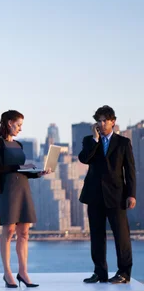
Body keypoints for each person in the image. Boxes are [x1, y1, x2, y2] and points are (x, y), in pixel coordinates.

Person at [79, 105, 136, 285]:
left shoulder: (123, 143)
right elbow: (84, 159)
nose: (102, 124)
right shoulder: (89, 141)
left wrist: (131, 195)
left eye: (105, 120)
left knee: (122, 236)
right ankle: (100, 272)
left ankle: (124, 273)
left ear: (113, 122)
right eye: (99, 121)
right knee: (96, 236)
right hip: (94, 195)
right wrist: (95, 141)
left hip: (117, 196)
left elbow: (130, 171)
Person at [0, 110, 49, 288]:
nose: (20, 129)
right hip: (8, 189)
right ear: (9, 123)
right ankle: (7, 272)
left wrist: (37, 173)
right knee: (8, 231)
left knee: (24, 232)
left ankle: (23, 272)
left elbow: (21, 172)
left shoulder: (19, 145)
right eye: (18, 125)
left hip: (23, 188)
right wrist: (21, 166)